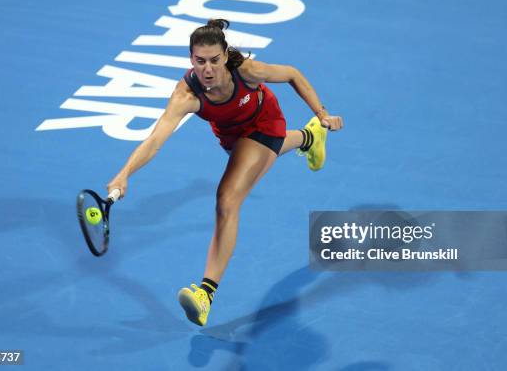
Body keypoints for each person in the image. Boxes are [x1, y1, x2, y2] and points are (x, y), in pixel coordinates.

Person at [107, 19, 344, 326]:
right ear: (191, 59)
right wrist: (124, 173)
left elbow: (292, 74)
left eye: (215, 61)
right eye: (200, 61)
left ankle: (206, 293)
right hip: (231, 137)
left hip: (264, 122)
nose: (208, 69)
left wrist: (322, 113)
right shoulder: (186, 96)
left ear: (225, 56)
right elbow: (154, 140)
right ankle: (309, 138)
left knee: (227, 200)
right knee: (254, 158)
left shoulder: (246, 70)